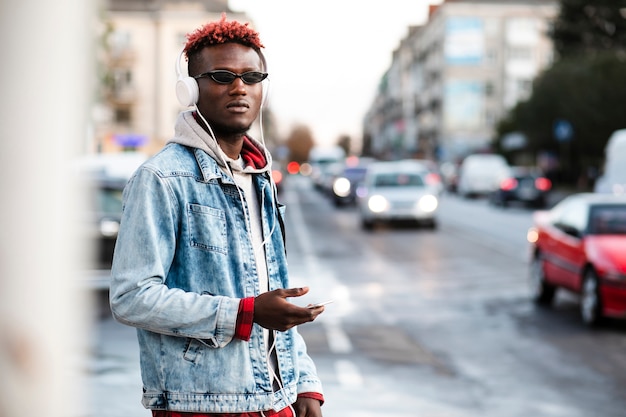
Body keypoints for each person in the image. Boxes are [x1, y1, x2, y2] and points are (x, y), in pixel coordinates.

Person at [109, 15, 325, 417]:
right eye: (222, 76)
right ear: (190, 90)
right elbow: (130, 297)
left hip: (276, 400)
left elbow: (270, 288)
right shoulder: (160, 178)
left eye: (251, 76)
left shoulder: (261, 179)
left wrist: (305, 382)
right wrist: (245, 313)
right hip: (202, 405)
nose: (239, 87)